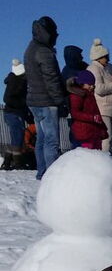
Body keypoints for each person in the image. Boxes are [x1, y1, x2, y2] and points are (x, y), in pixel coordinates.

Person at [24, 16, 66, 180]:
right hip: (47, 101)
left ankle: (42, 172)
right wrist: (59, 100)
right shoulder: (43, 51)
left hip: (34, 100)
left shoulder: (31, 48)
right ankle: (52, 176)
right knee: (51, 140)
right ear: (48, 33)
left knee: (41, 138)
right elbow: (51, 78)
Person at [87, 39, 112, 162]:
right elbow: (99, 89)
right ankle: (103, 163)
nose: (108, 59)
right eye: (106, 56)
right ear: (99, 57)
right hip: (103, 109)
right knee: (107, 139)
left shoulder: (109, 67)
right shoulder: (94, 69)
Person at [67, 70, 107, 149]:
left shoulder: (90, 95)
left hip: (93, 132)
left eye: (93, 85)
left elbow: (96, 112)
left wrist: (103, 129)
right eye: (89, 84)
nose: (92, 86)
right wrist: (92, 118)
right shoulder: (77, 95)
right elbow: (75, 113)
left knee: (96, 154)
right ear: (81, 83)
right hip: (84, 133)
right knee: (88, 155)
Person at [3, 59, 29, 170]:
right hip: (14, 112)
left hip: (11, 113)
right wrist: (23, 103)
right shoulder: (16, 81)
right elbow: (8, 98)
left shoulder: (12, 80)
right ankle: (17, 162)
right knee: (18, 136)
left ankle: (8, 161)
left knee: (15, 137)